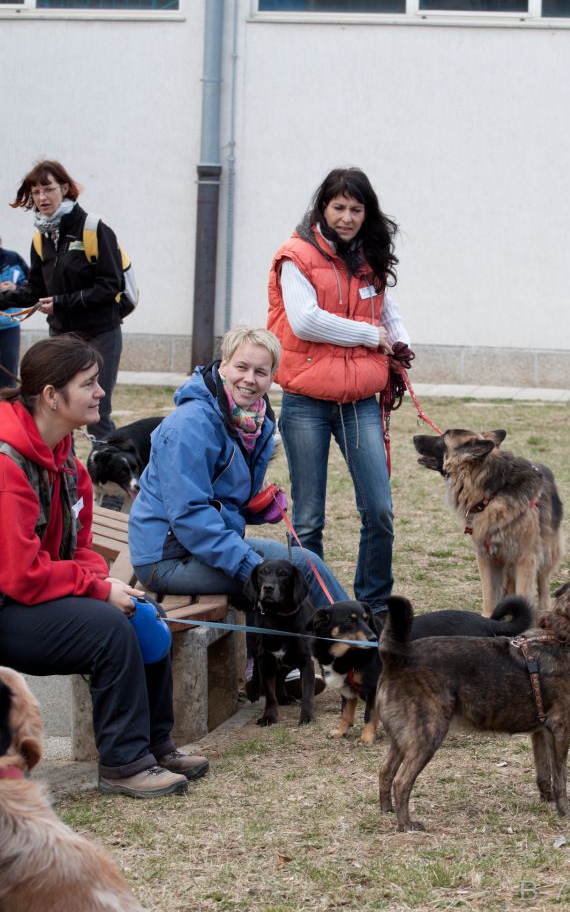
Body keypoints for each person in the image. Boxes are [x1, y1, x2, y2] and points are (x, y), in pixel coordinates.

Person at [0, 335, 209, 798]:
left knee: (141, 616)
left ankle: (155, 746)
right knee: (107, 629)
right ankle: (123, 763)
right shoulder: (6, 464)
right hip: (7, 604)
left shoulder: (71, 469)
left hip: (29, 596)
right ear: (52, 397)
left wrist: (103, 582)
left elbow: (77, 550)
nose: (101, 393)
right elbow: (19, 575)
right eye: (89, 384)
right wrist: (97, 592)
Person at [267, 167, 411, 612]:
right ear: (323, 207)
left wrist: (400, 342)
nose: (347, 217)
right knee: (308, 519)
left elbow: (387, 313)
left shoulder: (368, 257)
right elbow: (305, 320)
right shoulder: (296, 255)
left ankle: (374, 609)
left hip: (359, 402)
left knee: (380, 511)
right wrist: (371, 336)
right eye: (339, 207)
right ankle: (313, 609)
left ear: (367, 212)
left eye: (356, 208)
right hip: (306, 401)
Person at [128, 325, 348, 610]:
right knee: (300, 570)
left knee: (300, 566)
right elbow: (189, 515)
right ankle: (357, 647)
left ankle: (304, 648)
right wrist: (250, 566)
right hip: (167, 558)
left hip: (199, 545)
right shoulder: (190, 426)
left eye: (260, 372)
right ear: (223, 367)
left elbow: (218, 500)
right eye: (241, 367)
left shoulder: (254, 421)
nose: (249, 379)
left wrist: (254, 508)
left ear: (272, 378)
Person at [0, 160, 126, 441]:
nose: (41, 198)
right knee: (56, 410)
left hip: (100, 333)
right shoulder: (40, 237)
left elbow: (109, 286)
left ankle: (107, 480)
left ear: (65, 189)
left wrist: (61, 302)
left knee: (96, 413)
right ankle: (57, 476)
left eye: (48, 189)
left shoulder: (93, 229)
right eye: (35, 192)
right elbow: (33, 290)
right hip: (62, 336)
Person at [0, 235, 29, 388]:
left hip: (9, 326)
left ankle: (6, 409)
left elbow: (32, 284)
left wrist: (14, 288)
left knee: (8, 373)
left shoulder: (13, 259)